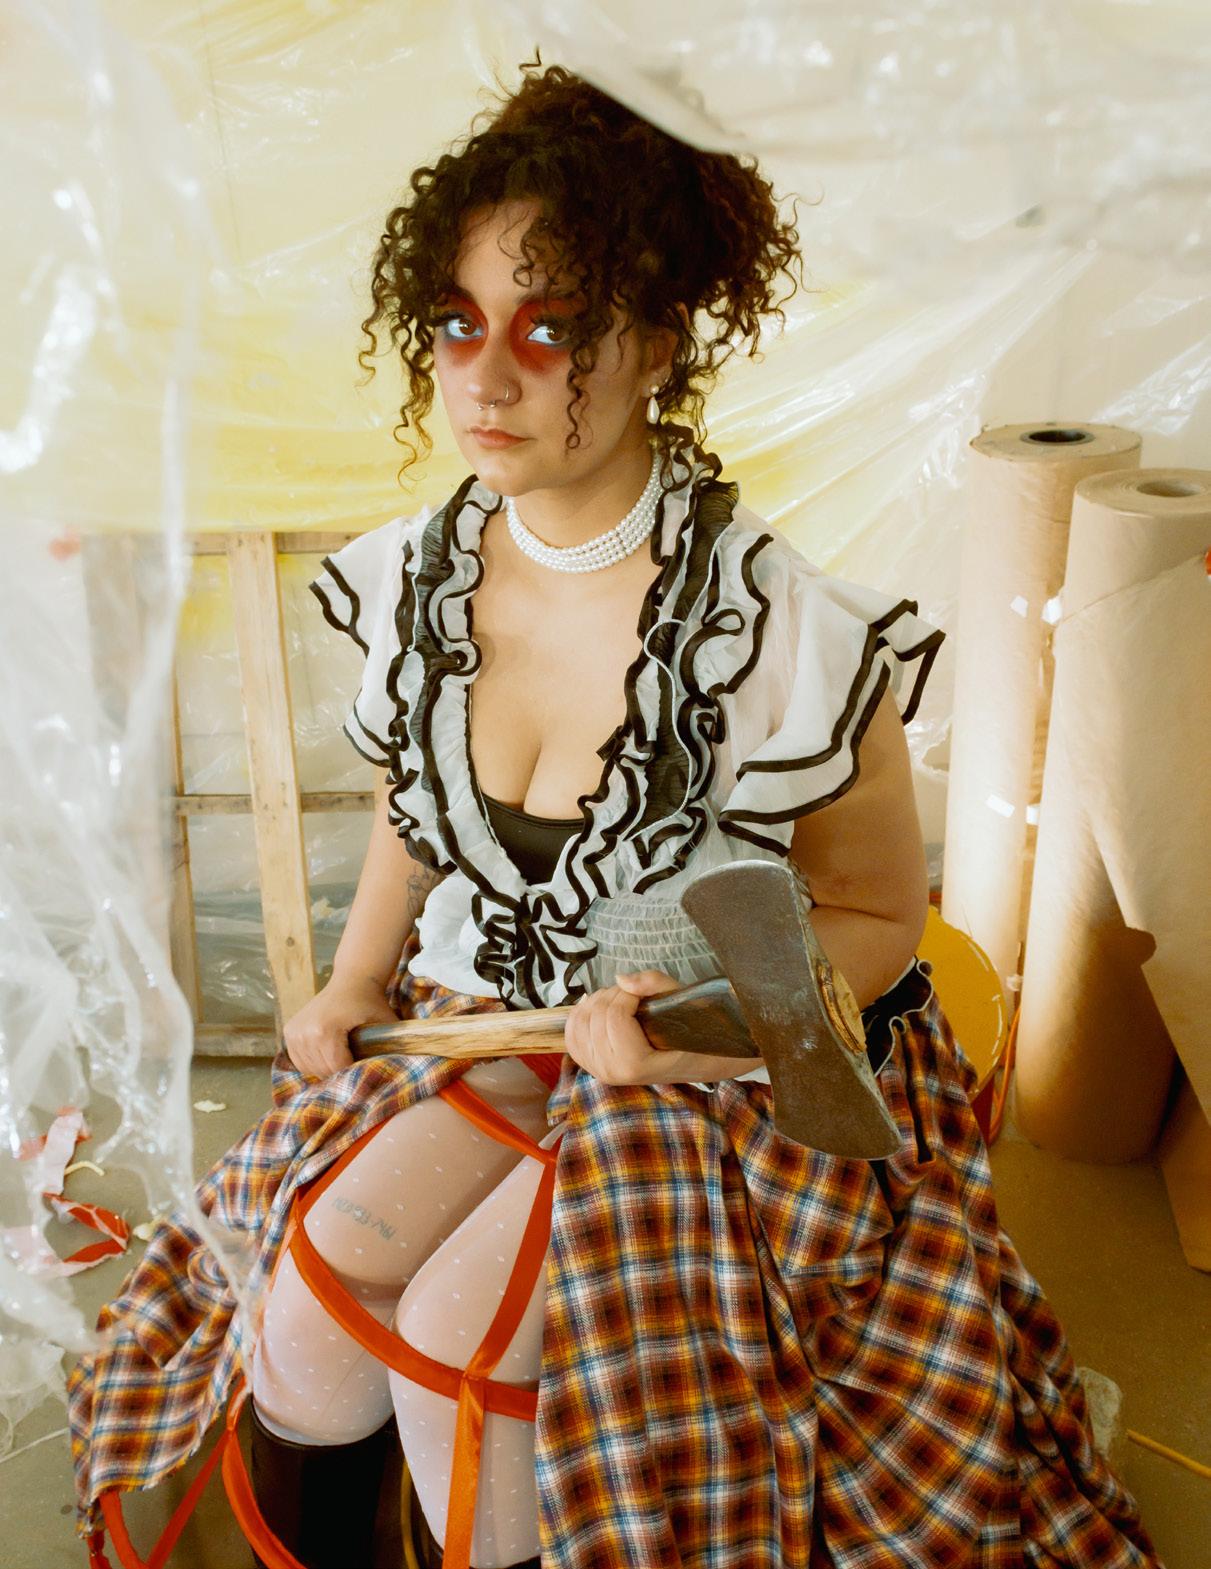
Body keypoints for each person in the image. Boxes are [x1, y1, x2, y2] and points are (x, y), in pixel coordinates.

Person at [69, 58, 1162, 1569]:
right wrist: (354, 976)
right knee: (307, 1333)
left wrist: (698, 1026)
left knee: (460, 1355)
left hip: (714, 1064)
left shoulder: (778, 634)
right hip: (480, 1018)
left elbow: (876, 919)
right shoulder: (420, 575)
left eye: (549, 330)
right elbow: (412, 800)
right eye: (457, 323)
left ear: (654, 342)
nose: (484, 379)